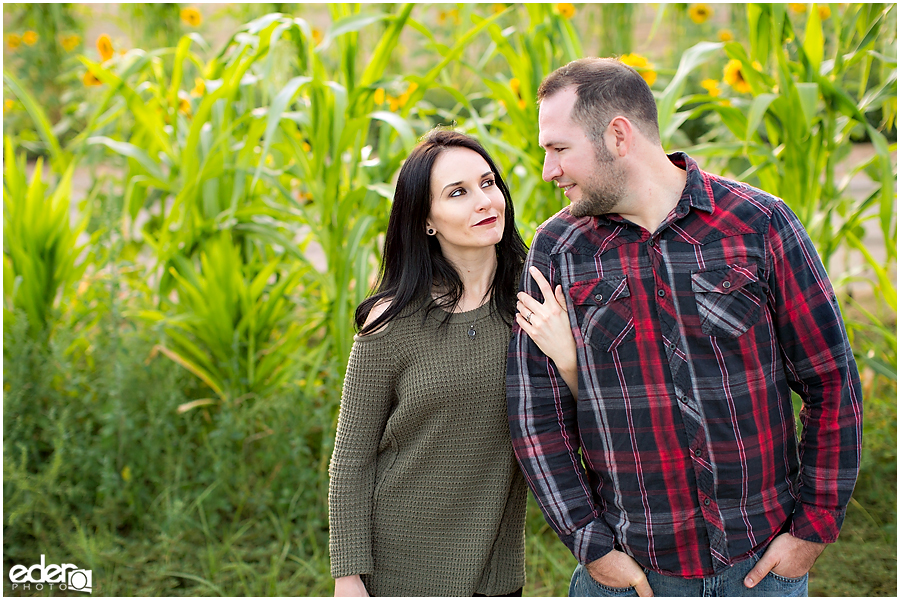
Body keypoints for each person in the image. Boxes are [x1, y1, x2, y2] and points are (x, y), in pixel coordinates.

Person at [507, 57, 863, 597]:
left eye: (558, 149)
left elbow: (831, 380)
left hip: (760, 566)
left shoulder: (759, 224)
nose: (548, 169)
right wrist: (591, 544)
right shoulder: (558, 251)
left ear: (618, 135)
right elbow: (537, 415)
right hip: (631, 573)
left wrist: (814, 529)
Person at [328, 129, 576, 597]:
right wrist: (348, 577)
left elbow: (596, 418)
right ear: (426, 220)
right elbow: (352, 461)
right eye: (458, 193)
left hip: (494, 570)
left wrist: (567, 356)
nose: (485, 202)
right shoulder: (391, 322)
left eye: (488, 183)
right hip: (396, 567)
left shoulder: (541, 300)